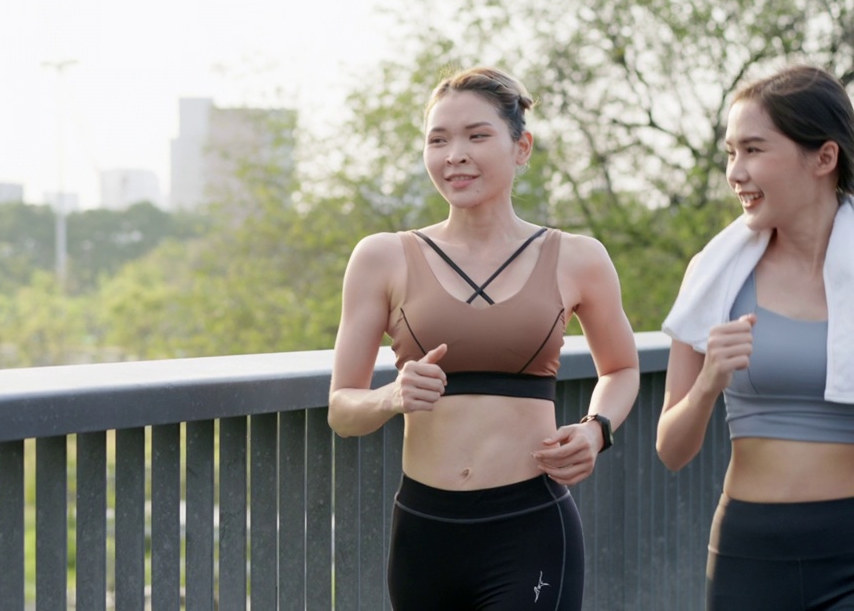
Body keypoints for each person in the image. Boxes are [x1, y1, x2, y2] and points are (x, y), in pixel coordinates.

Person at [328, 66, 640, 611]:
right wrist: (390, 397)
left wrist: (596, 431)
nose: (455, 155)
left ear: (522, 147)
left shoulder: (578, 258)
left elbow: (621, 368)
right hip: (425, 532)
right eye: (438, 140)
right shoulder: (381, 258)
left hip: (531, 526)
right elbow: (341, 408)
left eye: (477, 135)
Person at [657, 64, 854, 610]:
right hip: (749, 553)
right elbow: (671, 450)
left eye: (754, 150)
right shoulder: (714, 276)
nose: (735, 172)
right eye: (730, 153)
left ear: (824, 157)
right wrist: (707, 386)